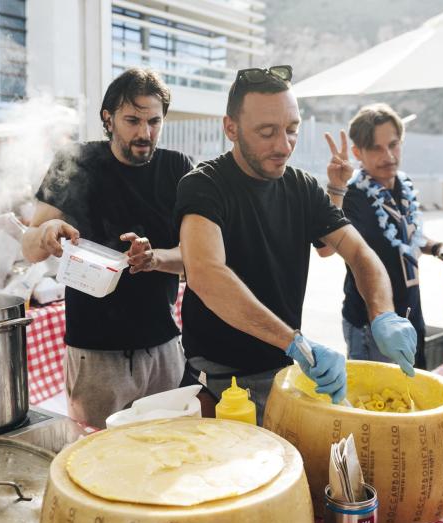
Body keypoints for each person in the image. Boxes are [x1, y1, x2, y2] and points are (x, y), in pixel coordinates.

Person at [175, 66, 418, 421]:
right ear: (231, 128)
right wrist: (294, 340)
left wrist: (383, 313)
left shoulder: (301, 187)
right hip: (217, 382)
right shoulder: (204, 185)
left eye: (291, 130)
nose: (283, 145)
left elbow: (358, 251)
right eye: (266, 132)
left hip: (282, 371)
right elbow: (206, 274)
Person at [20, 68, 193, 428]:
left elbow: (196, 259)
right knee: (95, 455)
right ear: (108, 118)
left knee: (168, 452)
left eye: (154, 122)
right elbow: (29, 247)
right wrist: (48, 231)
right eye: (132, 120)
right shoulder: (76, 160)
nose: (145, 134)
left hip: (163, 346)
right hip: (94, 354)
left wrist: (154, 258)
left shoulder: (177, 168)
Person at [321, 103, 443, 367]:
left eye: (394, 144)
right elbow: (327, 248)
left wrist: (438, 248)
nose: (388, 155)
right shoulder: (353, 195)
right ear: (357, 152)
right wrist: (336, 186)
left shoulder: (404, 184)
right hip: (371, 324)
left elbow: (407, 236)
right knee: (379, 403)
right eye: (376, 148)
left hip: (411, 312)